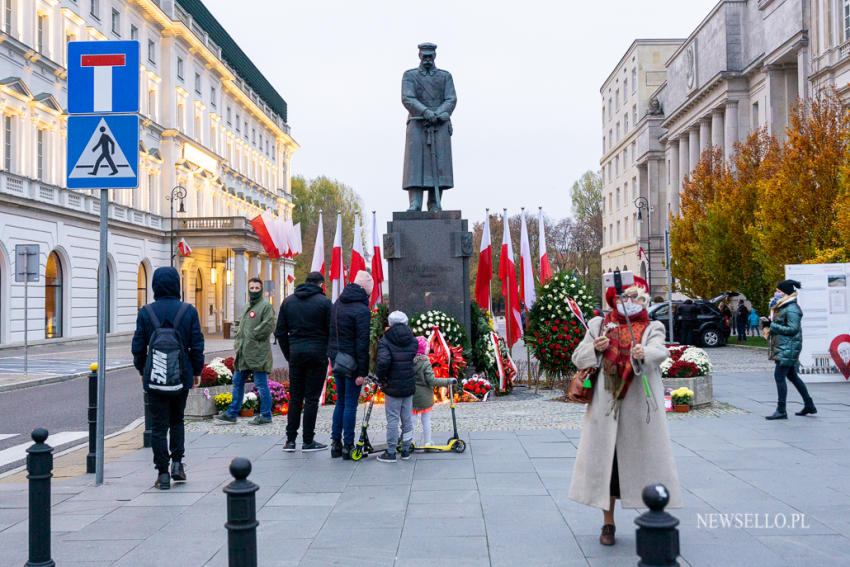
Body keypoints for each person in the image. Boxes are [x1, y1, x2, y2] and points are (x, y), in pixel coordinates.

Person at [569, 283, 681, 546]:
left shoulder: (652, 326)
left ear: (642, 300)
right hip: (606, 409)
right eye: (624, 296)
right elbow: (578, 357)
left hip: (639, 408)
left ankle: (656, 513)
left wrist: (645, 353)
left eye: (635, 297)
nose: (629, 301)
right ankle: (608, 523)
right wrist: (595, 348)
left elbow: (660, 351)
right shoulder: (599, 324)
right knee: (607, 468)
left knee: (648, 461)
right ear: (614, 299)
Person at [132, 267, 204, 490]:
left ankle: (162, 473)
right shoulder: (188, 310)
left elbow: (137, 347)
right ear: (176, 284)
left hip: (155, 376)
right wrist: (196, 372)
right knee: (177, 420)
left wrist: (144, 370)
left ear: (155, 285)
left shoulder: (146, 312)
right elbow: (197, 345)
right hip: (181, 374)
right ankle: (177, 464)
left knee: (158, 425)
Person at [275, 271, 332, 452]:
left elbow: (280, 332)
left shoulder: (289, 302)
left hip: (296, 353)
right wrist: (327, 352)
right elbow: (332, 331)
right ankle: (308, 440)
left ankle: (290, 440)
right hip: (317, 354)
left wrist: (289, 353)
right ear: (321, 284)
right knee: (312, 399)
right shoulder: (324, 303)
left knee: (295, 398)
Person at [401, 42, 457, 212]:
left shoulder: (445, 76)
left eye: (430, 56)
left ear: (434, 56)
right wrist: (425, 112)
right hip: (418, 123)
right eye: (424, 56)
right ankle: (415, 203)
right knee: (415, 165)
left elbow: (451, 99)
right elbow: (407, 97)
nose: (427, 59)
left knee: (439, 166)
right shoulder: (409, 76)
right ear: (419, 56)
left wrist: (438, 113)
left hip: (439, 124)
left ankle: (434, 203)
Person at [215, 278, 275, 426]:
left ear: (261, 289)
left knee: (261, 384)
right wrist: (238, 336)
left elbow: (268, 326)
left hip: (258, 353)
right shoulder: (247, 306)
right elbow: (239, 323)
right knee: (237, 382)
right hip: (243, 353)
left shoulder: (266, 306)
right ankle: (232, 414)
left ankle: (266, 415)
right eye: (252, 288)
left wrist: (252, 335)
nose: (254, 290)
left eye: (256, 288)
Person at [329, 271, 373, 459]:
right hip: (353, 361)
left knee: (340, 401)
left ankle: (335, 444)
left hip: (337, 358)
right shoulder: (362, 310)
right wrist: (362, 372)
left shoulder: (338, 303)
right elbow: (362, 344)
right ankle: (348, 445)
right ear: (365, 291)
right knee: (350, 404)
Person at [765, 280, 817, 420]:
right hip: (785, 346)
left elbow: (793, 329)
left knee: (779, 376)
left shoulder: (792, 308)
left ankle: (781, 410)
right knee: (792, 376)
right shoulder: (783, 306)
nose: (777, 294)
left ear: (787, 293)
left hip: (789, 347)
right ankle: (809, 405)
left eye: (780, 291)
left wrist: (774, 326)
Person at [375, 311, 419, 462]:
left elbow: (383, 362)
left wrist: (380, 378)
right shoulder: (412, 340)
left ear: (390, 323)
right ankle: (406, 449)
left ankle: (391, 451)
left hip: (392, 385)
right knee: (407, 419)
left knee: (392, 419)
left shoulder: (385, 340)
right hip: (408, 384)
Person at [412, 336, 455, 448]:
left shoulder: (409, 361)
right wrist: (447, 381)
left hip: (412, 396)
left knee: (412, 421)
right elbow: (432, 380)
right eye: (427, 347)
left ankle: (410, 441)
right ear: (423, 349)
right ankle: (428, 442)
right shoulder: (425, 363)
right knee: (426, 420)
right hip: (425, 397)